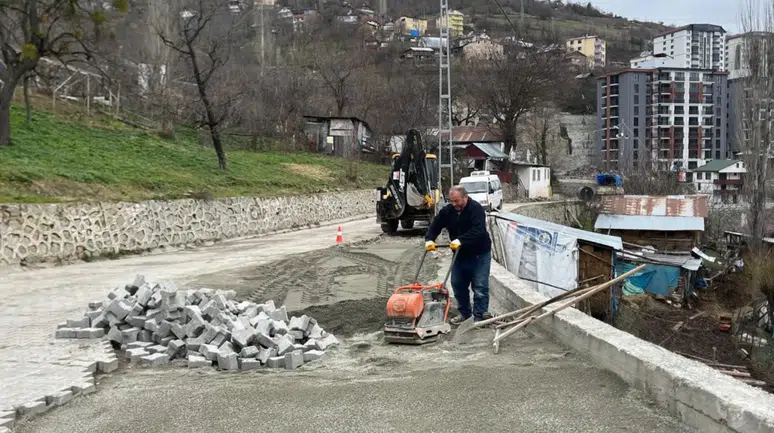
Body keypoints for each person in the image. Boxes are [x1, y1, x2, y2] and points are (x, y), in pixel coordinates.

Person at [424, 185, 493, 324]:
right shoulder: (448, 211)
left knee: (479, 286)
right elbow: (436, 224)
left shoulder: (476, 209)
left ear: (465, 197)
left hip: (479, 254)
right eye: (452, 201)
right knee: (457, 284)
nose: (454, 204)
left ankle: (480, 316)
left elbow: (478, 231)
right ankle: (464, 314)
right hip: (460, 255)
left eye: (457, 201)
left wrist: (461, 240)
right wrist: (429, 239)